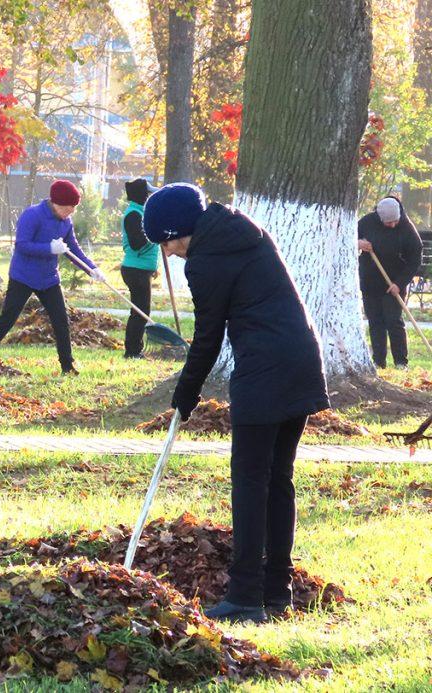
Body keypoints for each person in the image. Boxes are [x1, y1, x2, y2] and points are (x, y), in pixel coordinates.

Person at [143, 183, 329, 624]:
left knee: (249, 482)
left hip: (264, 369)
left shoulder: (206, 261)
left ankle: (245, 597)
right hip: (301, 357)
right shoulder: (245, 230)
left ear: (180, 230)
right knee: (277, 478)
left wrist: (185, 394)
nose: (168, 253)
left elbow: (208, 337)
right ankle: (276, 592)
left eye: (166, 242)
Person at [0, 180, 105, 375]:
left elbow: (74, 249)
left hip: (49, 279)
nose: (70, 214)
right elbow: (22, 245)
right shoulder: (32, 215)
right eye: (69, 209)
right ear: (57, 204)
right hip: (23, 276)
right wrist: (49, 248)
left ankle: (67, 365)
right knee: (8, 318)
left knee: (61, 320)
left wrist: (92, 269)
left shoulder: (65, 222)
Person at [357, 196, 422, 369]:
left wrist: (399, 284)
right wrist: (359, 243)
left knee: (393, 321)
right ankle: (379, 361)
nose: (392, 225)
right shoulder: (366, 222)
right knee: (375, 321)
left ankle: (401, 362)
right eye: (388, 222)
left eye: (395, 221)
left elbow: (415, 260)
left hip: (394, 283)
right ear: (380, 217)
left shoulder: (407, 230)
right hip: (370, 281)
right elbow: (347, 238)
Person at [119, 178, 159, 358]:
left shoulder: (140, 213)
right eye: (148, 193)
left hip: (142, 269)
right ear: (141, 195)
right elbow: (136, 244)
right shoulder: (133, 215)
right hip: (135, 270)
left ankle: (134, 349)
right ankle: (132, 351)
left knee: (142, 310)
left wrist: (153, 267)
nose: (150, 195)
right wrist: (154, 233)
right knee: (140, 312)